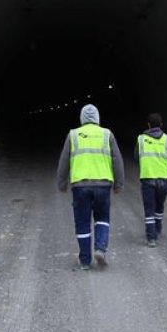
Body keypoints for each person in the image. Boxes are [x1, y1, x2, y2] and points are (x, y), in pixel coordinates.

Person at [56, 104, 125, 270]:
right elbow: (117, 160)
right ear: (97, 118)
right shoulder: (107, 134)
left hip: (80, 186)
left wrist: (61, 183)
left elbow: (64, 161)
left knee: (82, 222)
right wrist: (119, 184)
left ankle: (85, 261)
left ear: (82, 118)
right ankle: (100, 249)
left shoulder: (73, 135)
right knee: (102, 218)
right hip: (103, 185)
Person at [134, 113, 167, 247]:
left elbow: (136, 157)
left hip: (148, 177)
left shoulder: (141, 139)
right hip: (164, 178)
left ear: (148, 125)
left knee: (149, 208)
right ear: (161, 125)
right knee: (159, 205)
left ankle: (151, 238)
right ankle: (158, 227)